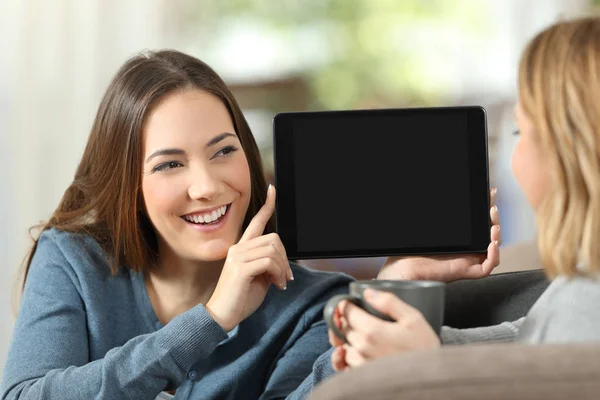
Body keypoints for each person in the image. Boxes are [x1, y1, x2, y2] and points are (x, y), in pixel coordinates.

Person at [0, 50, 359, 400]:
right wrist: (211, 320)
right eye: (169, 164)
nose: (207, 187)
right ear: (128, 183)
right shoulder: (74, 260)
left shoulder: (313, 307)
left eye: (223, 151)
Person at [327, 16, 600, 372]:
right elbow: (532, 337)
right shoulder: (580, 283)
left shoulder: (586, 302)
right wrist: (433, 348)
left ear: (570, 147)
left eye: (521, 130)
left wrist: (431, 370)